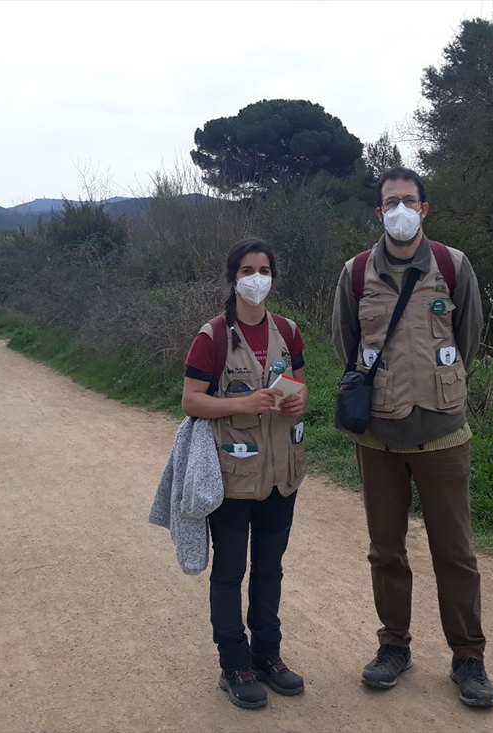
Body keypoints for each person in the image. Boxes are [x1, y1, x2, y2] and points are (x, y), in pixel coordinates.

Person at [330, 167, 493, 708]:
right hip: (378, 438)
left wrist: (437, 387)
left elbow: (468, 338)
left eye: (408, 200)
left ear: (424, 209)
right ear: (379, 214)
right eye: (390, 202)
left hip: (444, 435)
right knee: (386, 552)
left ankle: (469, 658)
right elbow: (347, 347)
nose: (399, 209)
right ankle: (393, 647)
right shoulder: (355, 274)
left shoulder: (452, 266)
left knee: (456, 554)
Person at [181, 237, 309, 710]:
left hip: (282, 474)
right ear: (233, 277)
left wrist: (299, 399)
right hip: (233, 475)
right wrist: (239, 402)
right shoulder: (212, 336)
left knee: (270, 569)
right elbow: (191, 400)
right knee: (231, 572)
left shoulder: (288, 331)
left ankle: (268, 657)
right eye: (248, 270)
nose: (258, 278)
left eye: (265, 269)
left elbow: (300, 386)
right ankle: (234, 665)